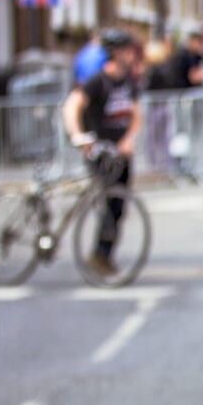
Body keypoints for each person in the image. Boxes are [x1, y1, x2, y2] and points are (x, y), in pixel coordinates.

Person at [62, 29, 143, 278]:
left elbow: (137, 115)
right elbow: (72, 106)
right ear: (116, 53)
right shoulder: (97, 81)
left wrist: (129, 140)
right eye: (128, 51)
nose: (132, 56)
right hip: (100, 152)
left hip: (121, 153)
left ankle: (104, 255)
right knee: (106, 205)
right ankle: (99, 254)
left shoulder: (128, 83)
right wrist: (78, 136)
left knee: (119, 207)